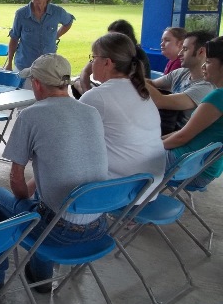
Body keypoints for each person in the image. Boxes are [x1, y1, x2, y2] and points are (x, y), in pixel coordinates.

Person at [0, 53, 108, 292]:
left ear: (37, 83)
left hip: (58, 232)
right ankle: (39, 278)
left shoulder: (31, 114)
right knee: (46, 202)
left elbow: (15, 178)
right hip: (98, 226)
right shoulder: (90, 111)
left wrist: (21, 204)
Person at [79, 32, 165, 201]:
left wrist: (84, 78)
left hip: (121, 190)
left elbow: (71, 141)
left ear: (107, 62)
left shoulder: (98, 97)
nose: (91, 62)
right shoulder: (140, 89)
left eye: (93, 57)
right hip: (150, 185)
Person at [163, 36, 223, 188]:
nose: (204, 66)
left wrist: (151, 146)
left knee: (126, 157)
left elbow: (182, 137)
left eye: (208, 62)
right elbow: (185, 132)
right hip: (203, 167)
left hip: (188, 167)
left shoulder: (217, 97)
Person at [146, 30, 215, 133]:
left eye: (185, 49)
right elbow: (152, 84)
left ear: (201, 52)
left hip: (179, 138)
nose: (179, 53)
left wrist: (128, 77)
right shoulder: (181, 73)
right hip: (164, 129)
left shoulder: (206, 87)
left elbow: (160, 101)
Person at [6, 0, 74, 76]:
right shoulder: (21, 14)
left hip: (48, 67)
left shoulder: (58, 12)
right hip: (24, 65)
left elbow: (68, 22)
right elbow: (14, 38)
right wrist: (9, 62)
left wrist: (56, 35)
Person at [72, 19, 150, 98]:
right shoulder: (108, 52)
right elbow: (85, 71)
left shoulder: (137, 56)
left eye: (113, 39)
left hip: (123, 94)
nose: (109, 42)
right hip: (112, 92)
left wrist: (90, 97)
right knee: (77, 83)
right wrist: (87, 93)